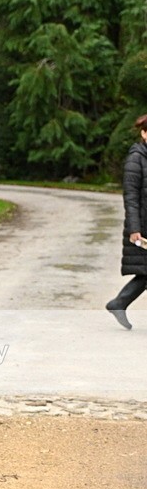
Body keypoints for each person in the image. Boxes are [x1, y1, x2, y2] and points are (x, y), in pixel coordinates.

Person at [106, 113, 147, 329]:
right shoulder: (136, 158)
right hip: (142, 228)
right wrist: (134, 228)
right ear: (143, 133)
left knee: (145, 272)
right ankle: (119, 302)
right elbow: (130, 196)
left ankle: (119, 302)